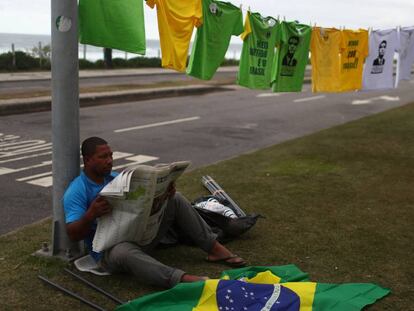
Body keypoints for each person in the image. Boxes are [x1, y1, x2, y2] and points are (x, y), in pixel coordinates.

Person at [63, 137, 246, 288]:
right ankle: (181, 279)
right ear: (87, 160)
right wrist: (91, 214)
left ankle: (215, 249)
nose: (109, 161)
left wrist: (163, 195)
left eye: (110, 155)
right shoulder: (77, 190)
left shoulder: (116, 178)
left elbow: (138, 207)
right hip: (109, 253)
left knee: (176, 198)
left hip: (138, 236)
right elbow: (72, 234)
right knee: (123, 251)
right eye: (103, 157)